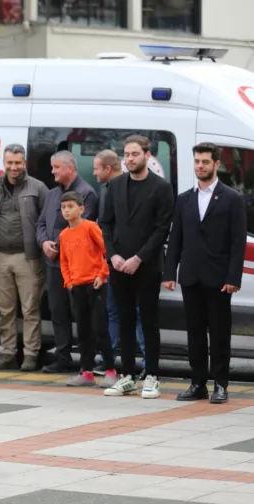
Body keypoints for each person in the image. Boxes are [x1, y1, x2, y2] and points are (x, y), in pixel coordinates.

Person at [163, 142, 246, 404]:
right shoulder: (184, 199)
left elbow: (237, 241)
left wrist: (233, 277)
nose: (200, 166)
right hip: (190, 276)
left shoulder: (232, 198)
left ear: (216, 165)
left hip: (219, 279)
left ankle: (220, 384)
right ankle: (198, 383)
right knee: (195, 333)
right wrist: (169, 272)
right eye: (197, 161)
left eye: (206, 162)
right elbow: (176, 237)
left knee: (219, 333)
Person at [100, 135, 174, 399]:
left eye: (134, 154)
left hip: (147, 266)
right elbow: (105, 224)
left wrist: (138, 258)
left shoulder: (161, 188)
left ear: (147, 155)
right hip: (119, 266)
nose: (129, 159)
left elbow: (161, 229)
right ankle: (127, 376)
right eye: (126, 155)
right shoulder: (116, 185)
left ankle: (152, 376)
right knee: (124, 320)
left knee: (149, 321)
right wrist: (114, 256)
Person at [37, 150, 98, 373]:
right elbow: (41, 223)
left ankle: (86, 362)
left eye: (56, 167)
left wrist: (58, 248)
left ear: (70, 168)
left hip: (78, 268)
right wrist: (44, 243)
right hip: (54, 266)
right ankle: (62, 357)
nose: (52, 171)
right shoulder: (53, 194)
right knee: (58, 311)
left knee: (81, 314)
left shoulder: (86, 193)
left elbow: (83, 229)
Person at [0, 144, 48, 371]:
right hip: (1, 256)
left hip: (28, 257)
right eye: (10, 163)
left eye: (18, 163)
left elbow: (45, 221)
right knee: (6, 309)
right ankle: (8, 353)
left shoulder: (38, 188)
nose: (14, 167)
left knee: (30, 309)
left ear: (24, 163)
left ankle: (31, 354)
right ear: (4, 163)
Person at [92, 150, 146, 376]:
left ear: (107, 169)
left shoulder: (117, 189)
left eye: (96, 168)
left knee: (137, 313)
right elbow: (105, 227)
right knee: (115, 311)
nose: (93, 173)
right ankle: (110, 359)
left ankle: (142, 361)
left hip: (135, 261)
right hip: (113, 261)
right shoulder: (105, 189)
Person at [57, 192, 115, 388]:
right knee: (82, 331)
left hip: (95, 284)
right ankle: (86, 372)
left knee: (100, 328)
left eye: (71, 206)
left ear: (81, 209)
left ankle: (110, 370)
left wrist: (102, 274)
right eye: (64, 207)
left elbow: (106, 251)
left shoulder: (90, 227)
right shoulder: (64, 235)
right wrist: (69, 282)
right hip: (77, 287)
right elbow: (63, 262)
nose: (67, 210)